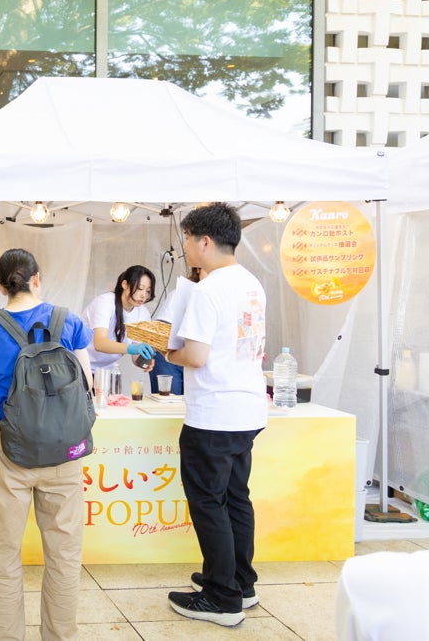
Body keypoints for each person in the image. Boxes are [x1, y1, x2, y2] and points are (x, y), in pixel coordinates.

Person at [0, 248, 94, 641]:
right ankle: (60, 635)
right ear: (37, 278)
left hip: (10, 446)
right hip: (65, 450)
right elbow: (86, 384)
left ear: (2, 285)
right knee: (64, 552)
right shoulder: (68, 320)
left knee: (3, 552)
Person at [163, 203, 267, 627]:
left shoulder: (207, 290)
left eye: (186, 239)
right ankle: (241, 583)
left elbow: (197, 356)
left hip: (214, 413)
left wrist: (168, 350)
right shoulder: (252, 283)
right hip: (247, 408)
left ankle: (222, 598)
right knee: (236, 497)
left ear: (204, 241)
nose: (184, 247)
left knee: (209, 502)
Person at [81, 265, 157, 376]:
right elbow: (100, 343)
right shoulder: (105, 302)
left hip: (105, 371)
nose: (143, 295)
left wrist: (143, 360)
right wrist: (131, 348)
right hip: (79, 366)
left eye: (148, 291)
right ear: (125, 284)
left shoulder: (143, 313)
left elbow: (135, 354)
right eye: (140, 288)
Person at [147, 267, 202, 396]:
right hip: (169, 356)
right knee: (169, 403)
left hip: (195, 358)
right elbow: (161, 331)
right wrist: (169, 355)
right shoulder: (180, 294)